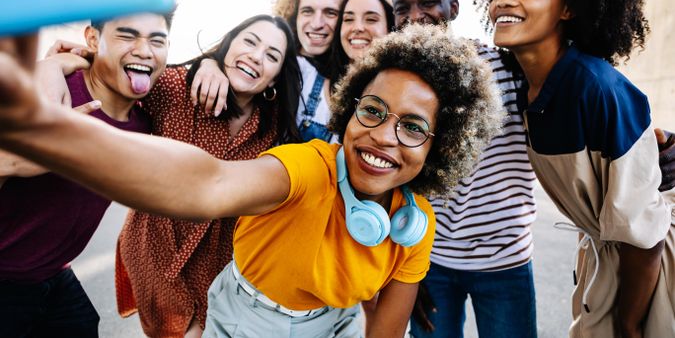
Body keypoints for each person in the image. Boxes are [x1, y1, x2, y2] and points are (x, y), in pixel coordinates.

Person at [0, 23, 504, 338]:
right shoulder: (310, 166)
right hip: (241, 315)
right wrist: (54, 117)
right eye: (371, 111)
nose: (383, 137)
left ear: (443, 145)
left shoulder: (415, 226)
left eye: (413, 127)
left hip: (337, 325)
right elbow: (209, 185)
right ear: (349, 111)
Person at [473, 0, 674, 337]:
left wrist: (628, 322)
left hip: (652, 267)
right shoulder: (522, 82)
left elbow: (645, 235)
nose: (506, 0)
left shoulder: (594, 86)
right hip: (610, 258)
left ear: (569, 7)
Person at [43, 14, 302, 338]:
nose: (256, 56)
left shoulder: (275, 125)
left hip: (220, 260)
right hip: (157, 249)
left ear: (275, 78)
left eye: (271, 55)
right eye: (249, 41)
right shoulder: (177, 86)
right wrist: (53, 66)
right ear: (228, 45)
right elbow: (113, 70)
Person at [385, 0, 539, 338]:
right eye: (402, 7)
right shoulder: (389, 83)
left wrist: (653, 142)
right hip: (429, 262)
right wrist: (406, 267)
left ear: (452, 7)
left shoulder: (507, 66)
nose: (415, 15)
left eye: (428, 2)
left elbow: (579, 94)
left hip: (506, 261)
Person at [0, 12, 171, 337]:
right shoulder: (45, 93)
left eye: (157, 40)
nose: (145, 50)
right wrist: (20, 158)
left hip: (53, 275)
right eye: (127, 35)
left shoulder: (145, 121)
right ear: (93, 39)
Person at [273, 0, 352, 142]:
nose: (317, 24)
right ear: (295, 16)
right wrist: (210, 65)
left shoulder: (350, 79)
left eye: (330, 12)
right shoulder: (271, 62)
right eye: (307, 11)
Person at [329, 0, 395, 88]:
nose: (357, 28)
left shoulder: (401, 85)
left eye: (371, 19)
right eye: (349, 19)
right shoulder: (318, 82)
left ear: (390, 28)